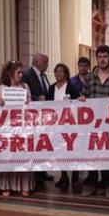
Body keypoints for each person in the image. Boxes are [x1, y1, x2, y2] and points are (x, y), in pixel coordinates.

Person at [79, 45, 109, 199]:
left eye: (105, 56)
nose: (102, 59)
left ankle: (108, 183)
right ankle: (92, 181)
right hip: (92, 125)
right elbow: (84, 95)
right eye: (100, 56)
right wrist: (82, 99)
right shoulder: (90, 78)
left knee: (108, 155)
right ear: (96, 59)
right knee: (92, 154)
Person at [0, 61, 35, 197]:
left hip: (23, 127)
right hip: (7, 129)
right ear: (10, 74)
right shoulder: (1, 88)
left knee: (23, 155)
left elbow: (31, 105)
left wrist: (29, 103)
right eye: (18, 72)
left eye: (21, 72)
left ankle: (24, 185)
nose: (21, 74)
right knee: (8, 155)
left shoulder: (25, 87)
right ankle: (6, 185)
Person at [46, 63, 80, 192]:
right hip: (56, 126)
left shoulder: (72, 87)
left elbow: (77, 104)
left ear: (66, 73)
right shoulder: (51, 88)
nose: (58, 74)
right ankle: (64, 176)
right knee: (59, 151)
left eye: (61, 71)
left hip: (70, 125)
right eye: (56, 71)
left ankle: (75, 175)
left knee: (71, 151)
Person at [22, 53, 54, 186]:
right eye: (46, 62)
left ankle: (42, 172)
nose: (47, 65)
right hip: (32, 117)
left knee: (43, 145)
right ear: (37, 62)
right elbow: (24, 95)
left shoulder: (44, 76)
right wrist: (36, 99)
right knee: (34, 145)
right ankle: (36, 175)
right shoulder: (26, 74)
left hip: (44, 117)